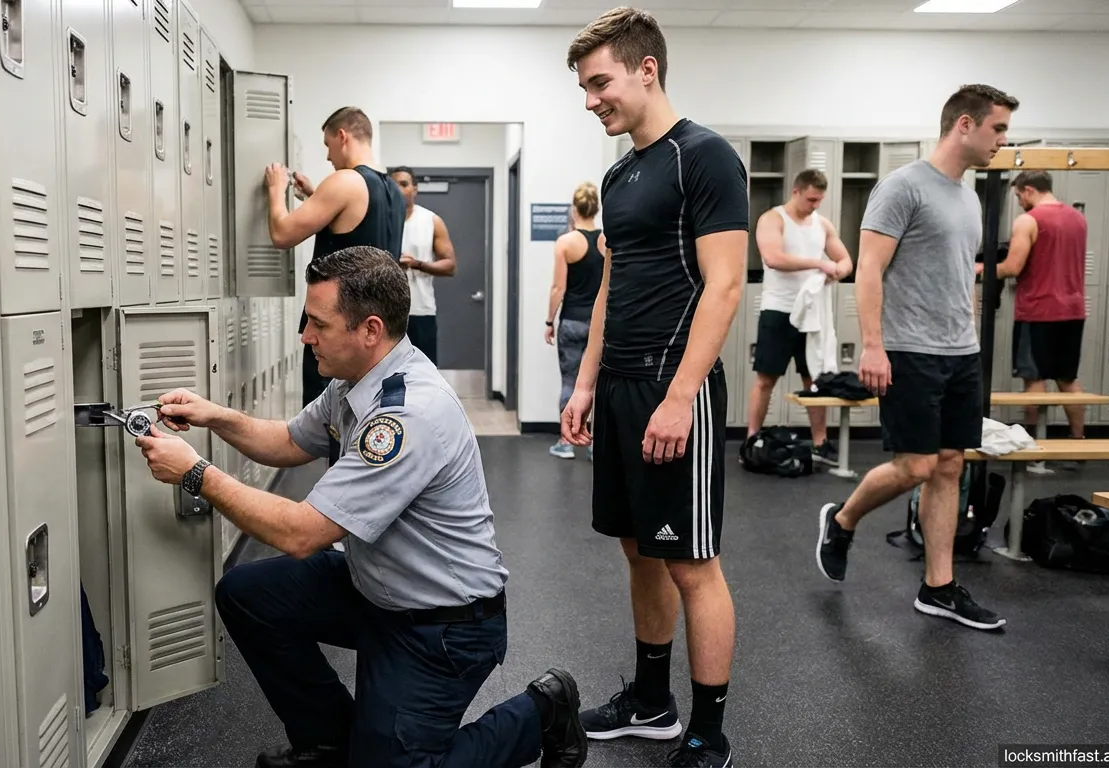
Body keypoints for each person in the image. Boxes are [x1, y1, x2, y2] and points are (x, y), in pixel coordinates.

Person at [132, 245, 587, 768]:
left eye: (318, 324)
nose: (305, 336)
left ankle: (542, 711)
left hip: (444, 625)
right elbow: (286, 441)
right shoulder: (353, 384)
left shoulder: (406, 415)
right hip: (375, 589)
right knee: (247, 593)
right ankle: (328, 741)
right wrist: (216, 416)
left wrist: (194, 473)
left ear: (370, 330)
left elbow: (302, 533)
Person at [562, 9, 748, 767]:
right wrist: (583, 385)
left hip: (678, 389)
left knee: (691, 561)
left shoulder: (702, 157)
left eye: (599, 82)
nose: (589, 99)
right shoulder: (619, 172)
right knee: (638, 550)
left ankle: (708, 730)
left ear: (647, 70)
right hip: (621, 387)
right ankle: (651, 700)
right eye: (583, 86)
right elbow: (613, 287)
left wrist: (680, 395)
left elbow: (726, 285)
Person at [816, 84, 1020, 632]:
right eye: (997, 128)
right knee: (917, 465)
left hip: (960, 352)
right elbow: (869, 270)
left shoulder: (969, 196)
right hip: (910, 350)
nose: (1004, 139)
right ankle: (842, 519)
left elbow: (954, 276)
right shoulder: (903, 188)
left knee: (950, 465)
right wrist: (874, 345)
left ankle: (938, 587)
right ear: (965, 125)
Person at [265, 106, 406, 409]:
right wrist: (314, 195)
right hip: (375, 332)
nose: (328, 156)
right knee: (365, 416)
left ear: (342, 136)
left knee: (330, 426)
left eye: (328, 145)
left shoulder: (344, 181)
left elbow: (282, 234)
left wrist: (276, 190)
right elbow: (359, 230)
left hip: (338, 327)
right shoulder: (392, 189)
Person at [746, 169, 851, 464]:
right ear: (796, 192)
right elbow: (773, 258)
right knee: (766, 379)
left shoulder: (823, 224)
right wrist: (819, 263)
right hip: (779, 310)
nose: (815, 205)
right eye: (811, 199)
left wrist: (837, 271)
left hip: (812, 314)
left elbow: (845, 260)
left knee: (815, 381)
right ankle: (752, 439)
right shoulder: (773, 219)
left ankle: (820, 442)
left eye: (819, 200)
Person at [978, 170, 1089, 442]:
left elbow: (1012, 267)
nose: (1018, 202)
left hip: (1038, 311)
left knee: (1033, 380)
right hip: (1072, 311)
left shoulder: (1028, 220)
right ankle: (1078, 441)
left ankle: (1033, 449)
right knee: (1067, 379)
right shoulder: (1077, 219)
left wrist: (980, 269)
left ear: (1029, 190)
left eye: (1018, 195)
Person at [545, 181, 605, 460]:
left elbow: (559, 288)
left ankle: (566, 442)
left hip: (571, 322)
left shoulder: (566, 242)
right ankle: (596, 444)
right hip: (600, 325)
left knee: (570, 382)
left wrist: (549, 321)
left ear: (574, 209)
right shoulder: (608, 241)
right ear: (596, 208)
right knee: (600, 385)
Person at [390, 166, 458, 364]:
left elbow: (450, 265)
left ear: (415, 189)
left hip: (420, 310)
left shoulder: (431, 220)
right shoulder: (381, 219)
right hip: (386, 312)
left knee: (422, 373)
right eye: (393, 185)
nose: (398, 190)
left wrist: (417, 264)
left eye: (404, 184)